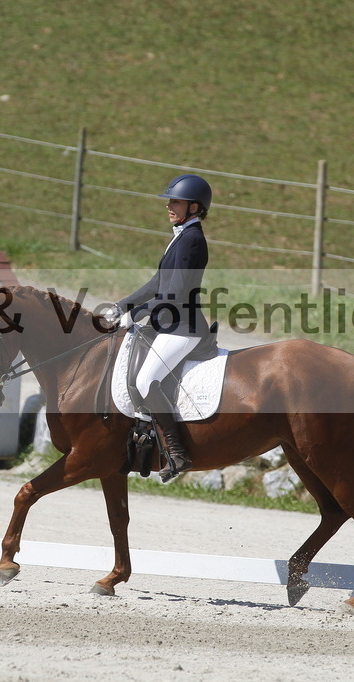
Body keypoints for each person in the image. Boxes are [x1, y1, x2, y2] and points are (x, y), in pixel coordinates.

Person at [106, 174, 213, 482]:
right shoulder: (181, 235)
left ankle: (177, 454)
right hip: (168, 322)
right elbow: (157, 283)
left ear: (193, 207)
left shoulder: (192, 240)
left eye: (175, 201)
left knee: (147, 380)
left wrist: (138, 313)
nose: (168, 205)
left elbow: (176, 294)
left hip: (184, 327)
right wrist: (123, 305)